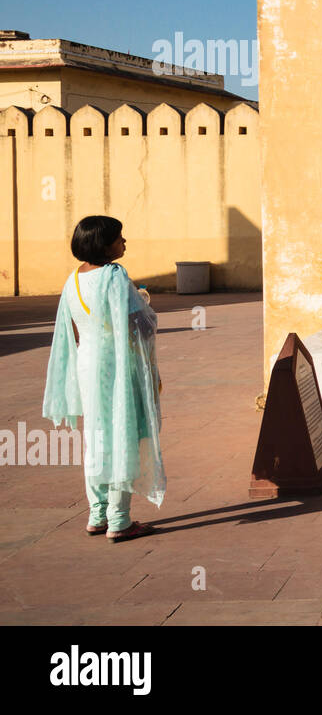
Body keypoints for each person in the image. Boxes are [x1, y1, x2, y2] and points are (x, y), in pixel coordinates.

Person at [43, 215, 165, 542]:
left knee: (96, 436)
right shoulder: (114, 276)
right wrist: (143, 302)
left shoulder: (73, 280)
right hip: (116, 366)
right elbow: (140, 325)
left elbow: (73, 330)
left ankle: (97, 514)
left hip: (87, 364)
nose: (124, 242)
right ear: (104, 244)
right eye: (119, 238)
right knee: (121, 434)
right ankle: (120, 519)